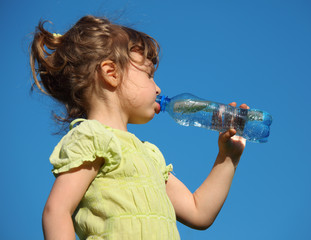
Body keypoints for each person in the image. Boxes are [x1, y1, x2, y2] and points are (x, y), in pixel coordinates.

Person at [30, 15, 249, 240]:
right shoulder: (92, 138)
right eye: (149, 75)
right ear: (111, 73)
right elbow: (56, 211)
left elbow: (198, 211)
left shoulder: (150, 156)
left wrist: (228, 158)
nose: (157, 88)